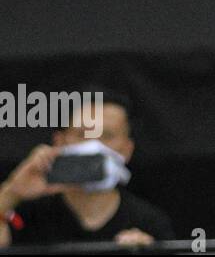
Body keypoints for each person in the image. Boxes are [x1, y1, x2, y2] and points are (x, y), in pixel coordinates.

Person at [0, 90, 174, 248]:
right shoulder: (27, 216)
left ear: (127, 149)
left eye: (107, 136)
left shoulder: (149, 223)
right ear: (60, 141)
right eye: (82, 134)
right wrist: (12, 192)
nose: (93, 146)